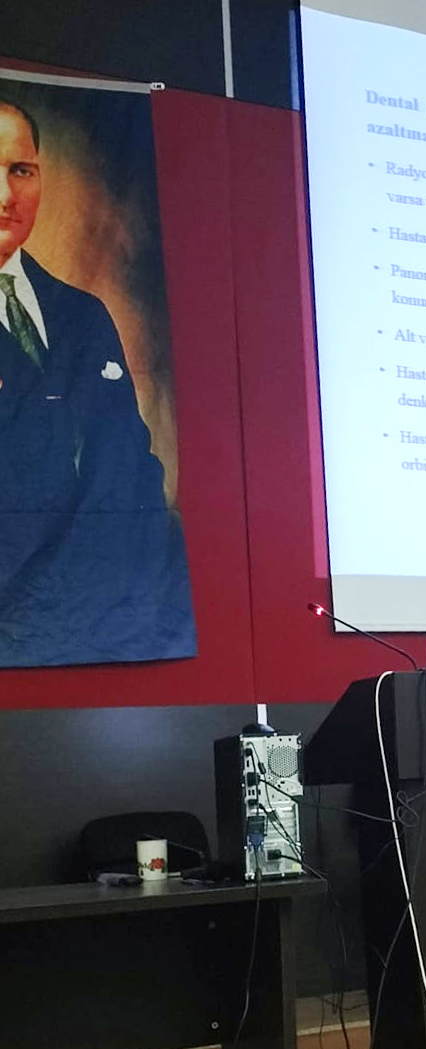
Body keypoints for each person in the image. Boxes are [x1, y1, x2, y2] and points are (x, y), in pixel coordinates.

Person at [0, 97, 194, 667]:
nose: (6, 195)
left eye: (21, 170)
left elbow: (130, 465)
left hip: (110, 613)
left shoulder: (82, 313)